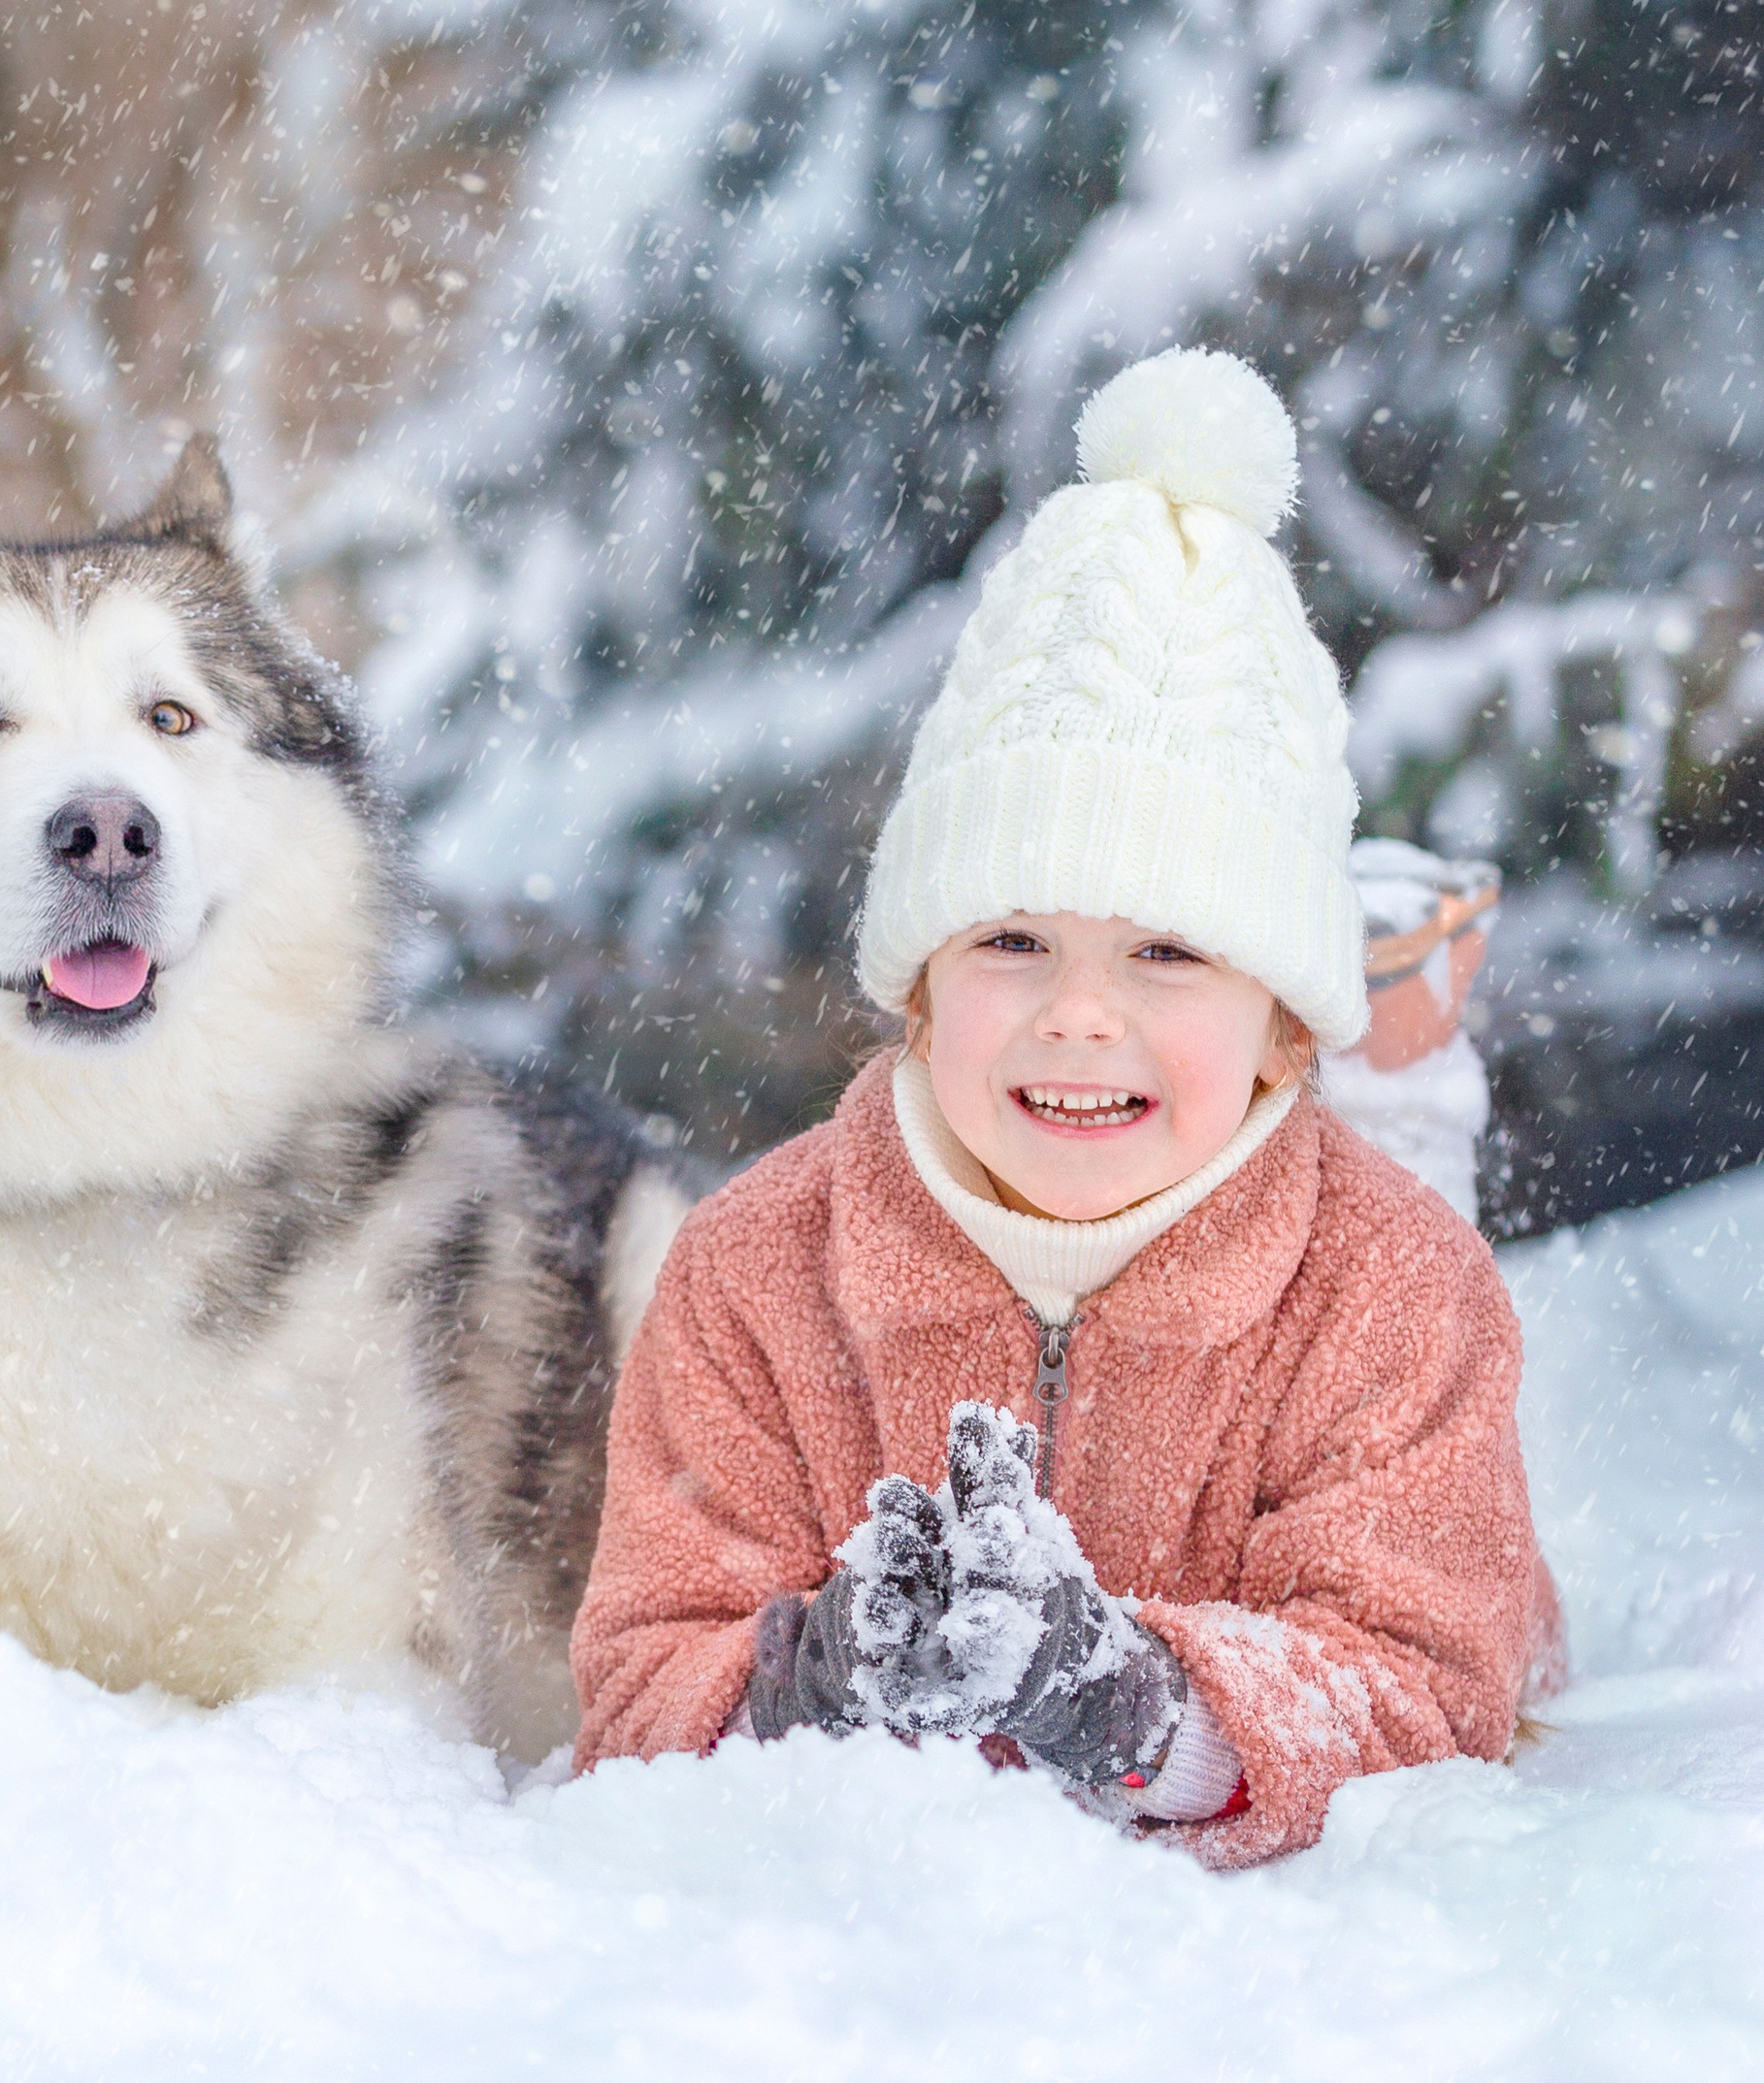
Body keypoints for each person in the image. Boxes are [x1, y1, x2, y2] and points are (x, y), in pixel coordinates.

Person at [569, 348, 1561, 1866]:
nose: (1079, 1012)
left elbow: (1429, 1687)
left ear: (1287, 1026)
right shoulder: (754, 1276)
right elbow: (639, 1682)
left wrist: (1134, 1705)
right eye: (1012, 939)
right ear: (915, 988)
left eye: (1167, 951)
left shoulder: (1398, 1295)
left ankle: (1407, 1068)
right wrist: (796, 1686)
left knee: (1475, 1499)